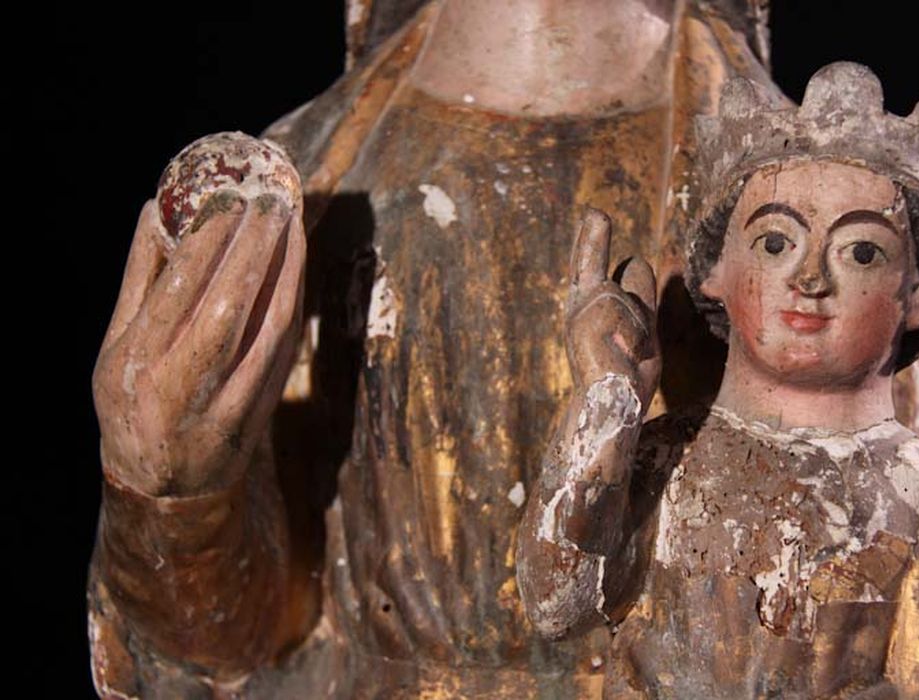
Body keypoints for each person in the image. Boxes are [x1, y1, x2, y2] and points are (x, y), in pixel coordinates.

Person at [88, 1, 794, 697]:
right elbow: (240, 649)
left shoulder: (790, 199)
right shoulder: (310, 179)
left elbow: (835, 584)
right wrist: (173, 502)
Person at [516, 62, 919, 698]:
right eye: (776, 242)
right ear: (716, 271)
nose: (810, 278)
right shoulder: (668, 458)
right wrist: (608, 399)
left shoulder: (918, 497)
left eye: (861, 251)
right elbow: (557, 605)